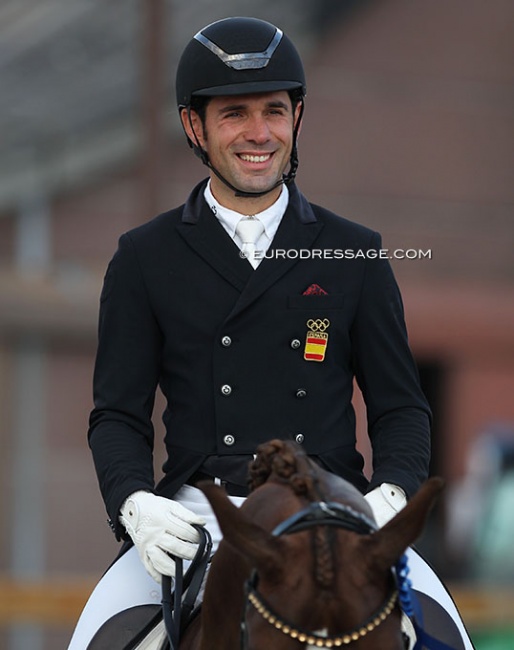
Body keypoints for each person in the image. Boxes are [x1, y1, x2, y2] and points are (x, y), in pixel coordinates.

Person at [68, 16, 474, 649]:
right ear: (194, 126)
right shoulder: (144, 258)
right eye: (234, 114)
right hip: (204, 517)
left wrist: (391, 495)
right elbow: (117, 416)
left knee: (449, 635)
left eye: (274, 112)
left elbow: (401, 407)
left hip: (339, 510)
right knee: (93, 636)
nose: (259, 134)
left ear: (298, 119)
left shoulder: (354, 252)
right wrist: (135, 505)